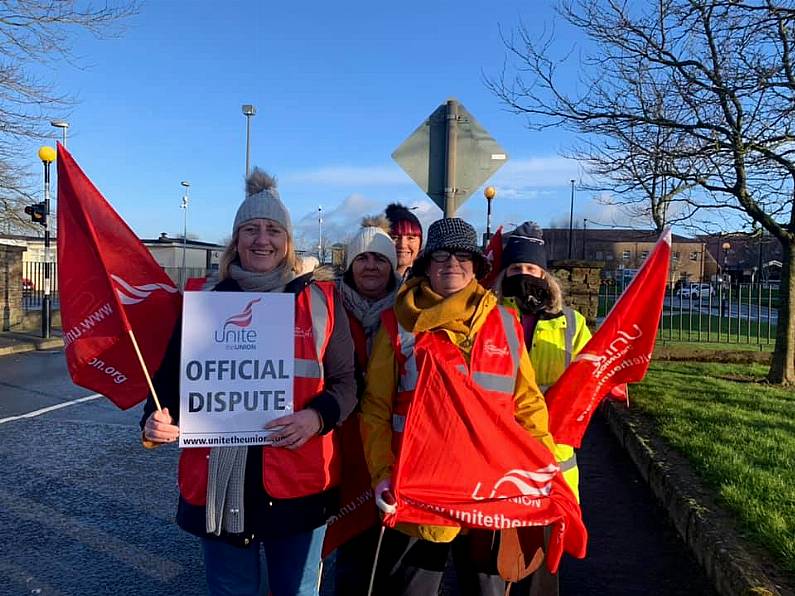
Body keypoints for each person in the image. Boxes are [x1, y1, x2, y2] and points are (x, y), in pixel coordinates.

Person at [140, 168, 356, 596]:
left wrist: (316, 418)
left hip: (297, 480)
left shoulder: (322, 301)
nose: (262, 239)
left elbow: (347, 384)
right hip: (222, 483)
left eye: (273, 230)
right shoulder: (204, 300)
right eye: (250, 229)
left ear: (288, 242)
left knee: (296, 592)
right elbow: (168, 385)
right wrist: (154, 421)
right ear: (235, 240)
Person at [360, 217, 556, 596]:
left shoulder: (505, 322)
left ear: (477, 267)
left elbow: (528, 404)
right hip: (419, 492)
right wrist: (380, 474)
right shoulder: (399, 325)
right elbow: (375, 409)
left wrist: (542, 467)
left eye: (463, 256)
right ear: (427, 265)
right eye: (442, 256)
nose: (453, 263)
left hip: (491, 493)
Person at [493, 221, 592, 596]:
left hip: (554, 463)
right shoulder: (489, 318)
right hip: (501, 461)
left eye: (532, 269)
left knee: (541, 568)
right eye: (516, 269)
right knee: (496, 562)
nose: (524, 276)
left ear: (545, 275)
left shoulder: (571, 323)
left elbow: (591, 380)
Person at [326, 216, 400, 594]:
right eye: (363, 258)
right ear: (350, 265)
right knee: (351, 556)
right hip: (340, 445)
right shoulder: (326, 308)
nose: (371, 266)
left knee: (391, 556)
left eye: (380, 259)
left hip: (393, 447)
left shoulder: (409, 313)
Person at [385, 202, 423, 280]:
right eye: (395, 237)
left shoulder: (432, 282)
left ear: (420, 243)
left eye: (410, 238)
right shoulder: (368, 281)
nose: (403, 245)